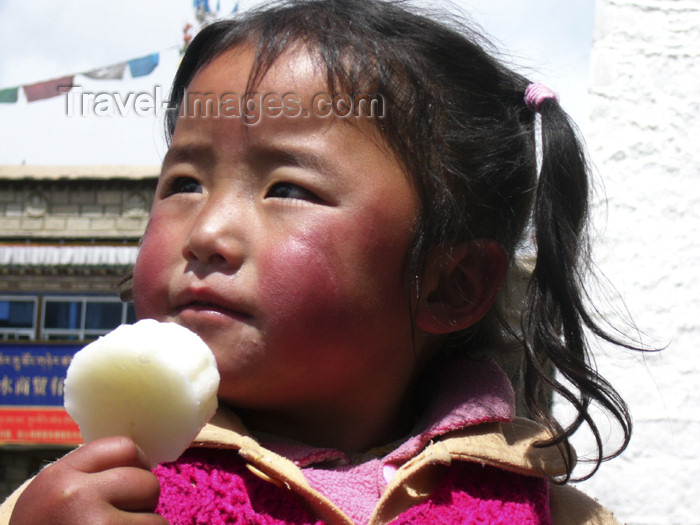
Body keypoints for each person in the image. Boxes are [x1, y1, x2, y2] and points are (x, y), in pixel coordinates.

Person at [2, 0, 639, 523]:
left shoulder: (548, 512)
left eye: (288, 189)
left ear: (451, 284)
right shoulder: (88, 499)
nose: (208, 231)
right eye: (183, 183)